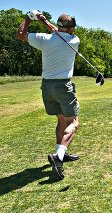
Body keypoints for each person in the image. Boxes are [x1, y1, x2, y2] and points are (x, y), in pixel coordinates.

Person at [16, 12, 81, 180]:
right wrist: (46, 23)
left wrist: (30, 19)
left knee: (61, 120)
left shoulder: (45, 39)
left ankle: (61, 152)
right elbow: (59, 34)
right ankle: (59, 156)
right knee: (73, 123)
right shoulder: (74, 41)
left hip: (47, 86)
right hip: (63, 86)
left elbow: (20, 34)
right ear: (72, 28)